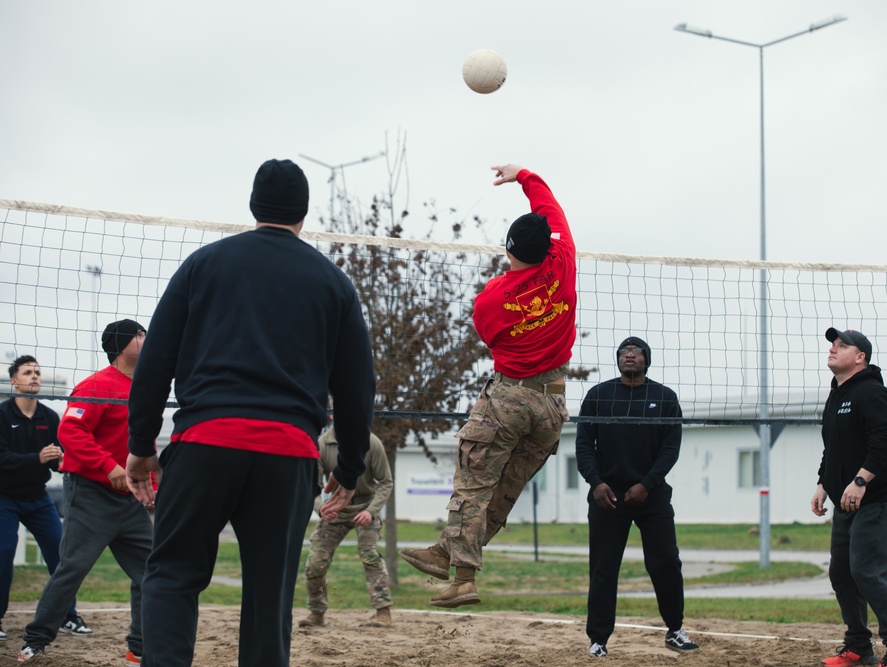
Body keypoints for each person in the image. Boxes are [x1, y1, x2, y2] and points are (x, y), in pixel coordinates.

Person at [125, 158, 376, 667]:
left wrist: (139, 446)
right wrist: (348, 468)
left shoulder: (204, 264)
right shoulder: (334, 283)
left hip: (204, 444)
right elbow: (356, 388)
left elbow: (155, 363)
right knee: (269, 596)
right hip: (287, 456)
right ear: (305, 213)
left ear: (253, 206)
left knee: (172, 574)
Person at [400, 164, 576, 608]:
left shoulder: (492, 298)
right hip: (554, 404)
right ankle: (449, 560)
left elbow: (491, 336)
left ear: (509, 247)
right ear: (549, 246)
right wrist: (526, 176)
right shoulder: (565, 261)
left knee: (473, 484)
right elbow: (551, 210)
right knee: (503, 491)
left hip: (510, 397)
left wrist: (517, 174)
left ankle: (462, 578)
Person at [19, 321, 152, 664]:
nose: (147, 338)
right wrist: (109, 467)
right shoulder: (97, 384)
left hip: (130, 500)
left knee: (151, 572)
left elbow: (143, 444)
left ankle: (139, 646)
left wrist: (147, 486)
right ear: (122, 345)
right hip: (91, 493)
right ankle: (36, 640)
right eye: (140, 335)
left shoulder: (146, 388)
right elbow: (71, 432)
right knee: (73, 568)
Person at [575, 337, 698, 658]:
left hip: (651, 495)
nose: (629, 355)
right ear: (618, 360)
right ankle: (598, 639)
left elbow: (670, 449)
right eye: (623, 352)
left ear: (647, 359)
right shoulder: (599, 395)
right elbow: (584, 445)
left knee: (666, 562)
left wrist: (647, 484)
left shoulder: (665, 398)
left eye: (636, 351)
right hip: (607, 496)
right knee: (603, 568)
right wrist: (596, 483)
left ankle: (675, 629)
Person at [812, 328, 887, 667]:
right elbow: (834, 448)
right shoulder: (836, 395)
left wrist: (860, 480)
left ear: (860, 357)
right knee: (841, 575)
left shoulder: (873, 393)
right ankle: (859, 647)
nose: (833, 348)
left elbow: (885, 442)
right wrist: (821, 483)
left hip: (877, 499)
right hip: (846, 503)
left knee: (866, 573)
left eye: (842, 345)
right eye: (832, 344)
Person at [1, 356, 92, 643]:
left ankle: (68, 616)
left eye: (38, 372)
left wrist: (63, 460)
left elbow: (55, 462)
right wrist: (36, 458)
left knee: (62, 553)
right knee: (3, 553)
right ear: (14, 380)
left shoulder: (49, 417)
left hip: (37, 498)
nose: (35, 376)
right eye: (28, 372)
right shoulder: (2, 415)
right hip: (4, 497)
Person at [299, 428, 393, 628]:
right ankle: (316, 612)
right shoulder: (321, 445)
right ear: (331, 416)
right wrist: (321, 509)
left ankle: (383, 612)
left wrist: (371, 511)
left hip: (365, 506)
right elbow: (311, 487)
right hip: (334, 508)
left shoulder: (371, 442)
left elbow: (386, 482)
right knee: (315, 561)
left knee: (369, 554)